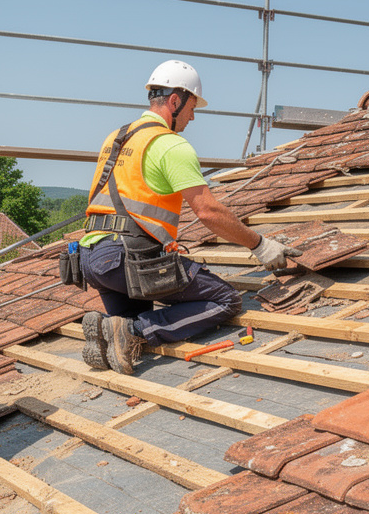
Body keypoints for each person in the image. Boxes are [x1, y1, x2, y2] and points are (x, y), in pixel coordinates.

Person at [79, 61, 300, 374]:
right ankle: (133, 332)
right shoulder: (169, 144)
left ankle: (112, 335)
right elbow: (208, 211)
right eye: (192, 107)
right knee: (225, 300)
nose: (192, 117)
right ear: (175, 101)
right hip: (127, 259)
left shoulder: (116, 138)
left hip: (92, 259)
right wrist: (260, 245)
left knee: (128, 324)